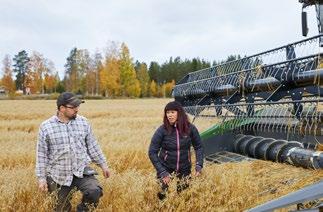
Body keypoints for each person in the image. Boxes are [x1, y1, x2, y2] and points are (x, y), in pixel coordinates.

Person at [35, 92, 111, 211]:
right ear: (61, 108)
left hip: (81, 171)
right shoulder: (46, 127)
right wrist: (41, 179)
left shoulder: (83, 122)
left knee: (94, 191)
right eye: (73, 107)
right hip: (58, 175)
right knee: (60, 208)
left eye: (78, 106)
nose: (77, 109)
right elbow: (41, 155)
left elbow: (93, 145)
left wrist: (103, 165)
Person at [148, 101, 204, 200]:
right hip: (166, 167)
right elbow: (152, 152)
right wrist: (162, 172)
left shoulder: (190, 128)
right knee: (162, 196)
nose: (169, 115)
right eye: (167, 112)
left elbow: (199, 146)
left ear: (179, 113)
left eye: (172, 112)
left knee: (184, 197)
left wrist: (199, 165)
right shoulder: (162, 130)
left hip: (184, 168)